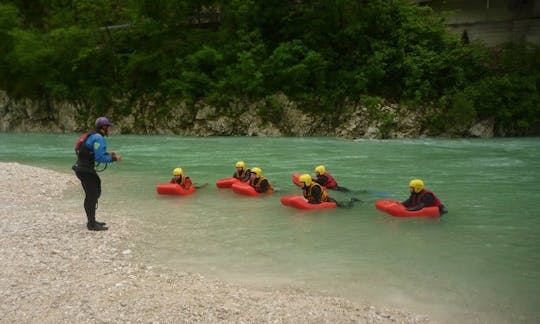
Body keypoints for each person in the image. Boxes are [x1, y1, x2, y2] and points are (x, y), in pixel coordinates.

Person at [72, 117, 122, 231]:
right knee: (92, 195)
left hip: (81, 168)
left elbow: (91, 152)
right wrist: (114, 158)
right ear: (103, 127)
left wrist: (108, 153)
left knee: (92, 194)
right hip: (85, 170)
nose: (109, 129)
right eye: (108, 126)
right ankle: (91, 224)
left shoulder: (92, 135)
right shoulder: (99, 138)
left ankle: (92, 220)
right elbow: (99, 157)